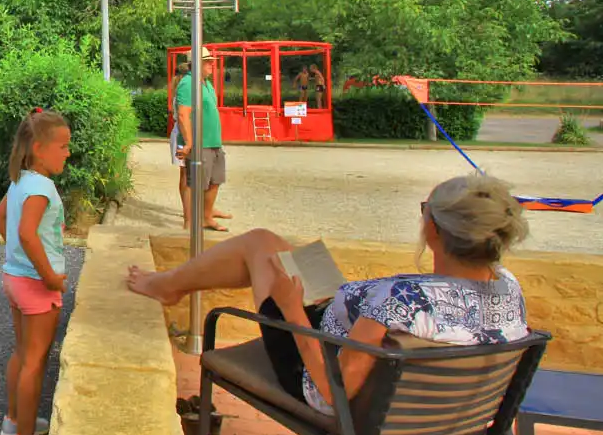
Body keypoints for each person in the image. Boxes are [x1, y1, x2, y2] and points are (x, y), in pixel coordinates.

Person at [126, 174, 531, 415]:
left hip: (315, 367)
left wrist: (292, 309)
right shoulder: (508, 287)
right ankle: (170, 284)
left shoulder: (401, 299)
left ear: (435, 231)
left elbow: (332, 392)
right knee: (276, 249)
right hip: (436, 406)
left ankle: (167, 286)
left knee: (260, 244)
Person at [0, 108, 70, 435]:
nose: (68, 152)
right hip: (37, 285)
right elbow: (26, 233)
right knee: (35, 363)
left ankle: (14, 421)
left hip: (15, 279)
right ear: (39, 149)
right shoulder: (41, 187)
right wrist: (49, 276)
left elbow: (1, 216)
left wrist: (18, 259)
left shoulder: (21, 180)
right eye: (62, 146)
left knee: (22, 353)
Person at [176, 51, 230, 233]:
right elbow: (183, 114)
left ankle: (206, 218)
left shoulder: (206, 83)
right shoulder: (188, 83)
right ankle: (190, 223)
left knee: (215, 180)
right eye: (207, 62)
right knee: (194, 183)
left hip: (213, 142)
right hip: (200, 143)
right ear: (196, 64)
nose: (211, 65)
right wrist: (189, 142)